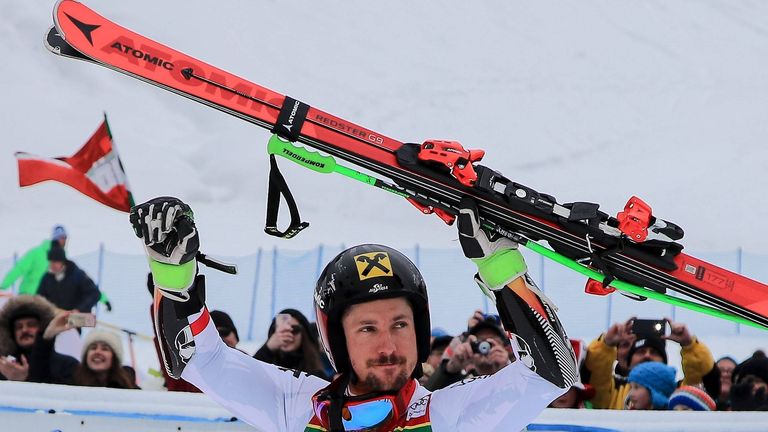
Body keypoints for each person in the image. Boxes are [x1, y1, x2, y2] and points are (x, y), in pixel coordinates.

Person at [130, 196, 576, 431]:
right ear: (336, 339)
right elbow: (196, 359)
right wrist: (174, 278)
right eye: (367, 328)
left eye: (400, 324)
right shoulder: (297, 408)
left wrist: (502, 269)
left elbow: (552, 372)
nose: (388, 345)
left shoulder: (449, 416)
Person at [583, 316, 719, 409]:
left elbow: (705, 381)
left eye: (654, 353)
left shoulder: (678, 393)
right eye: (640, 352)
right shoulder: (613, 392)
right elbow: (594, 375)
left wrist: (689, 345)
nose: (647, 355)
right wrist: (606, 344)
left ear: (664, 363)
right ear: (629, 362)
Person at [0, 295, 78, 383]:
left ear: (43, 327)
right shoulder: (4, 367)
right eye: (19, 327)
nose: (24, 330)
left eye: (31, 325)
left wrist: (21, 381)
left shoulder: (67, 365)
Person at [424, 314, 512, 391]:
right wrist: (450, 369)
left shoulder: (517, 373)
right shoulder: (461, 384)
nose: (485, 348)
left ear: (504, 347)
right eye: (480, 342)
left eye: (491, 342)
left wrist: (506, 369)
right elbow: (426, 402)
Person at [254, 309, 328, 379]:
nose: (287, 334)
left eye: (294, 329)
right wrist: (268, 348)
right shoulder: (264, 360)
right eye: (281, 330)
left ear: (304, 334)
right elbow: (249, 373)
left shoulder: (316, 367)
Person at [0, 225, 68, 295]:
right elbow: (19, 269)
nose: (64, 240)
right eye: (61, 238)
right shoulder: (36, 253)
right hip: (29, 295)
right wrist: (3, 286)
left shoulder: (63, 258)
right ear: (55, 239)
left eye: (65, 238)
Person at [37, 246, 100, 313]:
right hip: (57, 316)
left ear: (62, 261)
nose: (52, 265)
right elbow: (40, 297)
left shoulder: (78, 275)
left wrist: (79, 309)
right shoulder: (47, 278)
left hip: (79, 318)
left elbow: (94, 293)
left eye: (55, 261)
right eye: (51, 261)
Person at [71, 329, 138, 389]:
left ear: (114, 358)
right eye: (93, 348)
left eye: (105, 349)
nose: (97, 352)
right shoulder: (71, 384)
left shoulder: (129, 390)